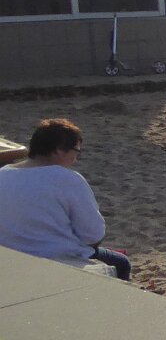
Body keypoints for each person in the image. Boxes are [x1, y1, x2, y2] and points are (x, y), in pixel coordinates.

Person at [0, 118, 130, 280]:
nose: (75, 159)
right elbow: (93, 235)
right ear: (59, 150)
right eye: (76, 152)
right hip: (54, 258)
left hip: (9, 256)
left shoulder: (3, 173)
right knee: (121, 262)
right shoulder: (67, 179)